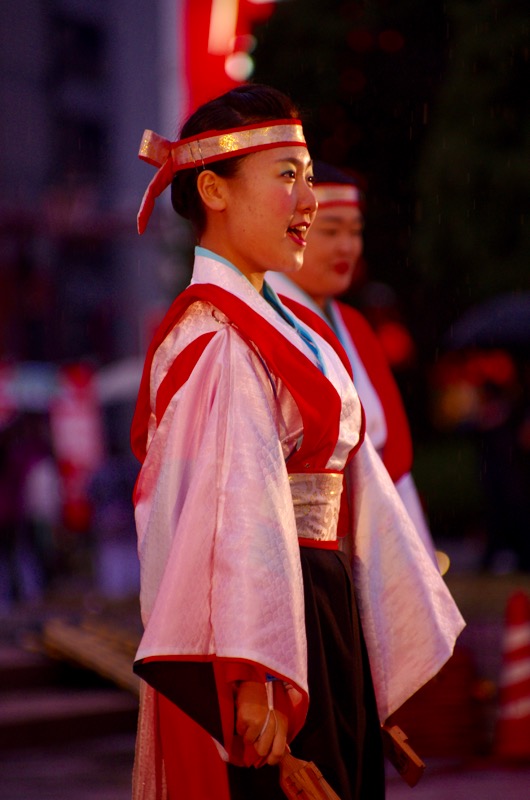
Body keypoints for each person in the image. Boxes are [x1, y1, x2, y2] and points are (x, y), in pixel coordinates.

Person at [130, 84, 464, 800]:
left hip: (316, 611)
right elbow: (216, 518)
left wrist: (371, 661)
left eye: (308, 176)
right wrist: (250, 678)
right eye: (287, 176)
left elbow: (358, 499)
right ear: (213, 189)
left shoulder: (282, 324)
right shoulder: (215, 337)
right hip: (271, 641)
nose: (308, 201)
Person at [266, 161, 437, 564]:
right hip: (308, 547)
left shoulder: (355, 324)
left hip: (377, 525)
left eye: (354, 232)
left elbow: (394, 448)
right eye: (330, 231)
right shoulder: (266, 322)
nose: (347, 246)